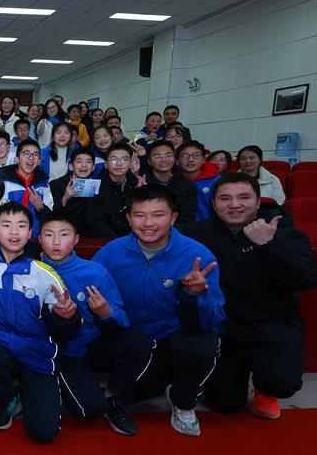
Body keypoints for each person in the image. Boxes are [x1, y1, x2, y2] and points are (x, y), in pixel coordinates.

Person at [181, 174, 317, 419]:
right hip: (225, 327)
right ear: (213, 204)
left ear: (258, 202)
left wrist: (268, 245)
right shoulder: (197, 234)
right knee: (225, 403)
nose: (234, 205)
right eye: (225, 198)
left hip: (274, 322)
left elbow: (306, 279)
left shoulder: (284, 232)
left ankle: (265, 391)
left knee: (281, 382)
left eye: (244, 197)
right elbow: (158, 236)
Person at [93, 185, 225, 437]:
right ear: (128, 218)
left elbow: (213, 319)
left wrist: (195, 295)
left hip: (175, 335)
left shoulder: (197, 255)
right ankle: (152, 385)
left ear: (173, 218)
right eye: (139, 215)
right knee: (123, 394)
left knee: (202, 345)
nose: (148, 223)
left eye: (158, 214)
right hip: (134, 339)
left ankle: (183, 402)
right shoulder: (111, 252)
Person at [0, 203, 81, 443]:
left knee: (44, 433)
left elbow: (67, 328)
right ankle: (5, 398)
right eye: (6, 225)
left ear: (30, 232)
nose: (14, 232)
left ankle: (30, 391)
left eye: (21, 226)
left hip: (36, 353)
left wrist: (66, 317)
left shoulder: (44, 272)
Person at [39, 214, 154, 436]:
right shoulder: (33, 270)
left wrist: (105, 312)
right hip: (58, 350)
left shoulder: (94, 271)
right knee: (88, 409)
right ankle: (57, 383)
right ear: (39, 239)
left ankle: (115, 398)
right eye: (49, 235)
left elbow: (121, 318)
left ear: (76, 239)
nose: (56, 242)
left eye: (64, 235)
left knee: (139, 341)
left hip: (92, 341)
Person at [0, 139, 53, 236]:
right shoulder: (4, 182)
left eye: (35, 155)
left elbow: (50, 217)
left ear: (39, 161)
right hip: (11, 236)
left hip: (36, 237)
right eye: (26, 154)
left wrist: (41, 208)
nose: (31, 158)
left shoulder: (43, 184)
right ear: (16, 159)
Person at [143, 140, 197, 223]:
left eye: (168, 155)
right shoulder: (142, 183)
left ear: (174, 158)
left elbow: (187, 218)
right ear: (149, 161)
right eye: (158, 156)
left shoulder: (187, 185)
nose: (164, 159)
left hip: (177, 229)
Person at [49, 148, 96, 236]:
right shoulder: (56, 185)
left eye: (88, 162)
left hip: (91, 234)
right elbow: (53, 215)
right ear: (71, 166)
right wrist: (65, 198)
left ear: (93, 167)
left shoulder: (96, 185)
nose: (84, 165)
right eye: (79, 161)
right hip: (64, 232)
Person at [177, 140, 221, 220]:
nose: (190, 159)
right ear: (177, 161)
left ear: (203, 159)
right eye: (185, 155)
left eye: (196, 155)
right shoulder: (174, 181)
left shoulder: (217, 181)